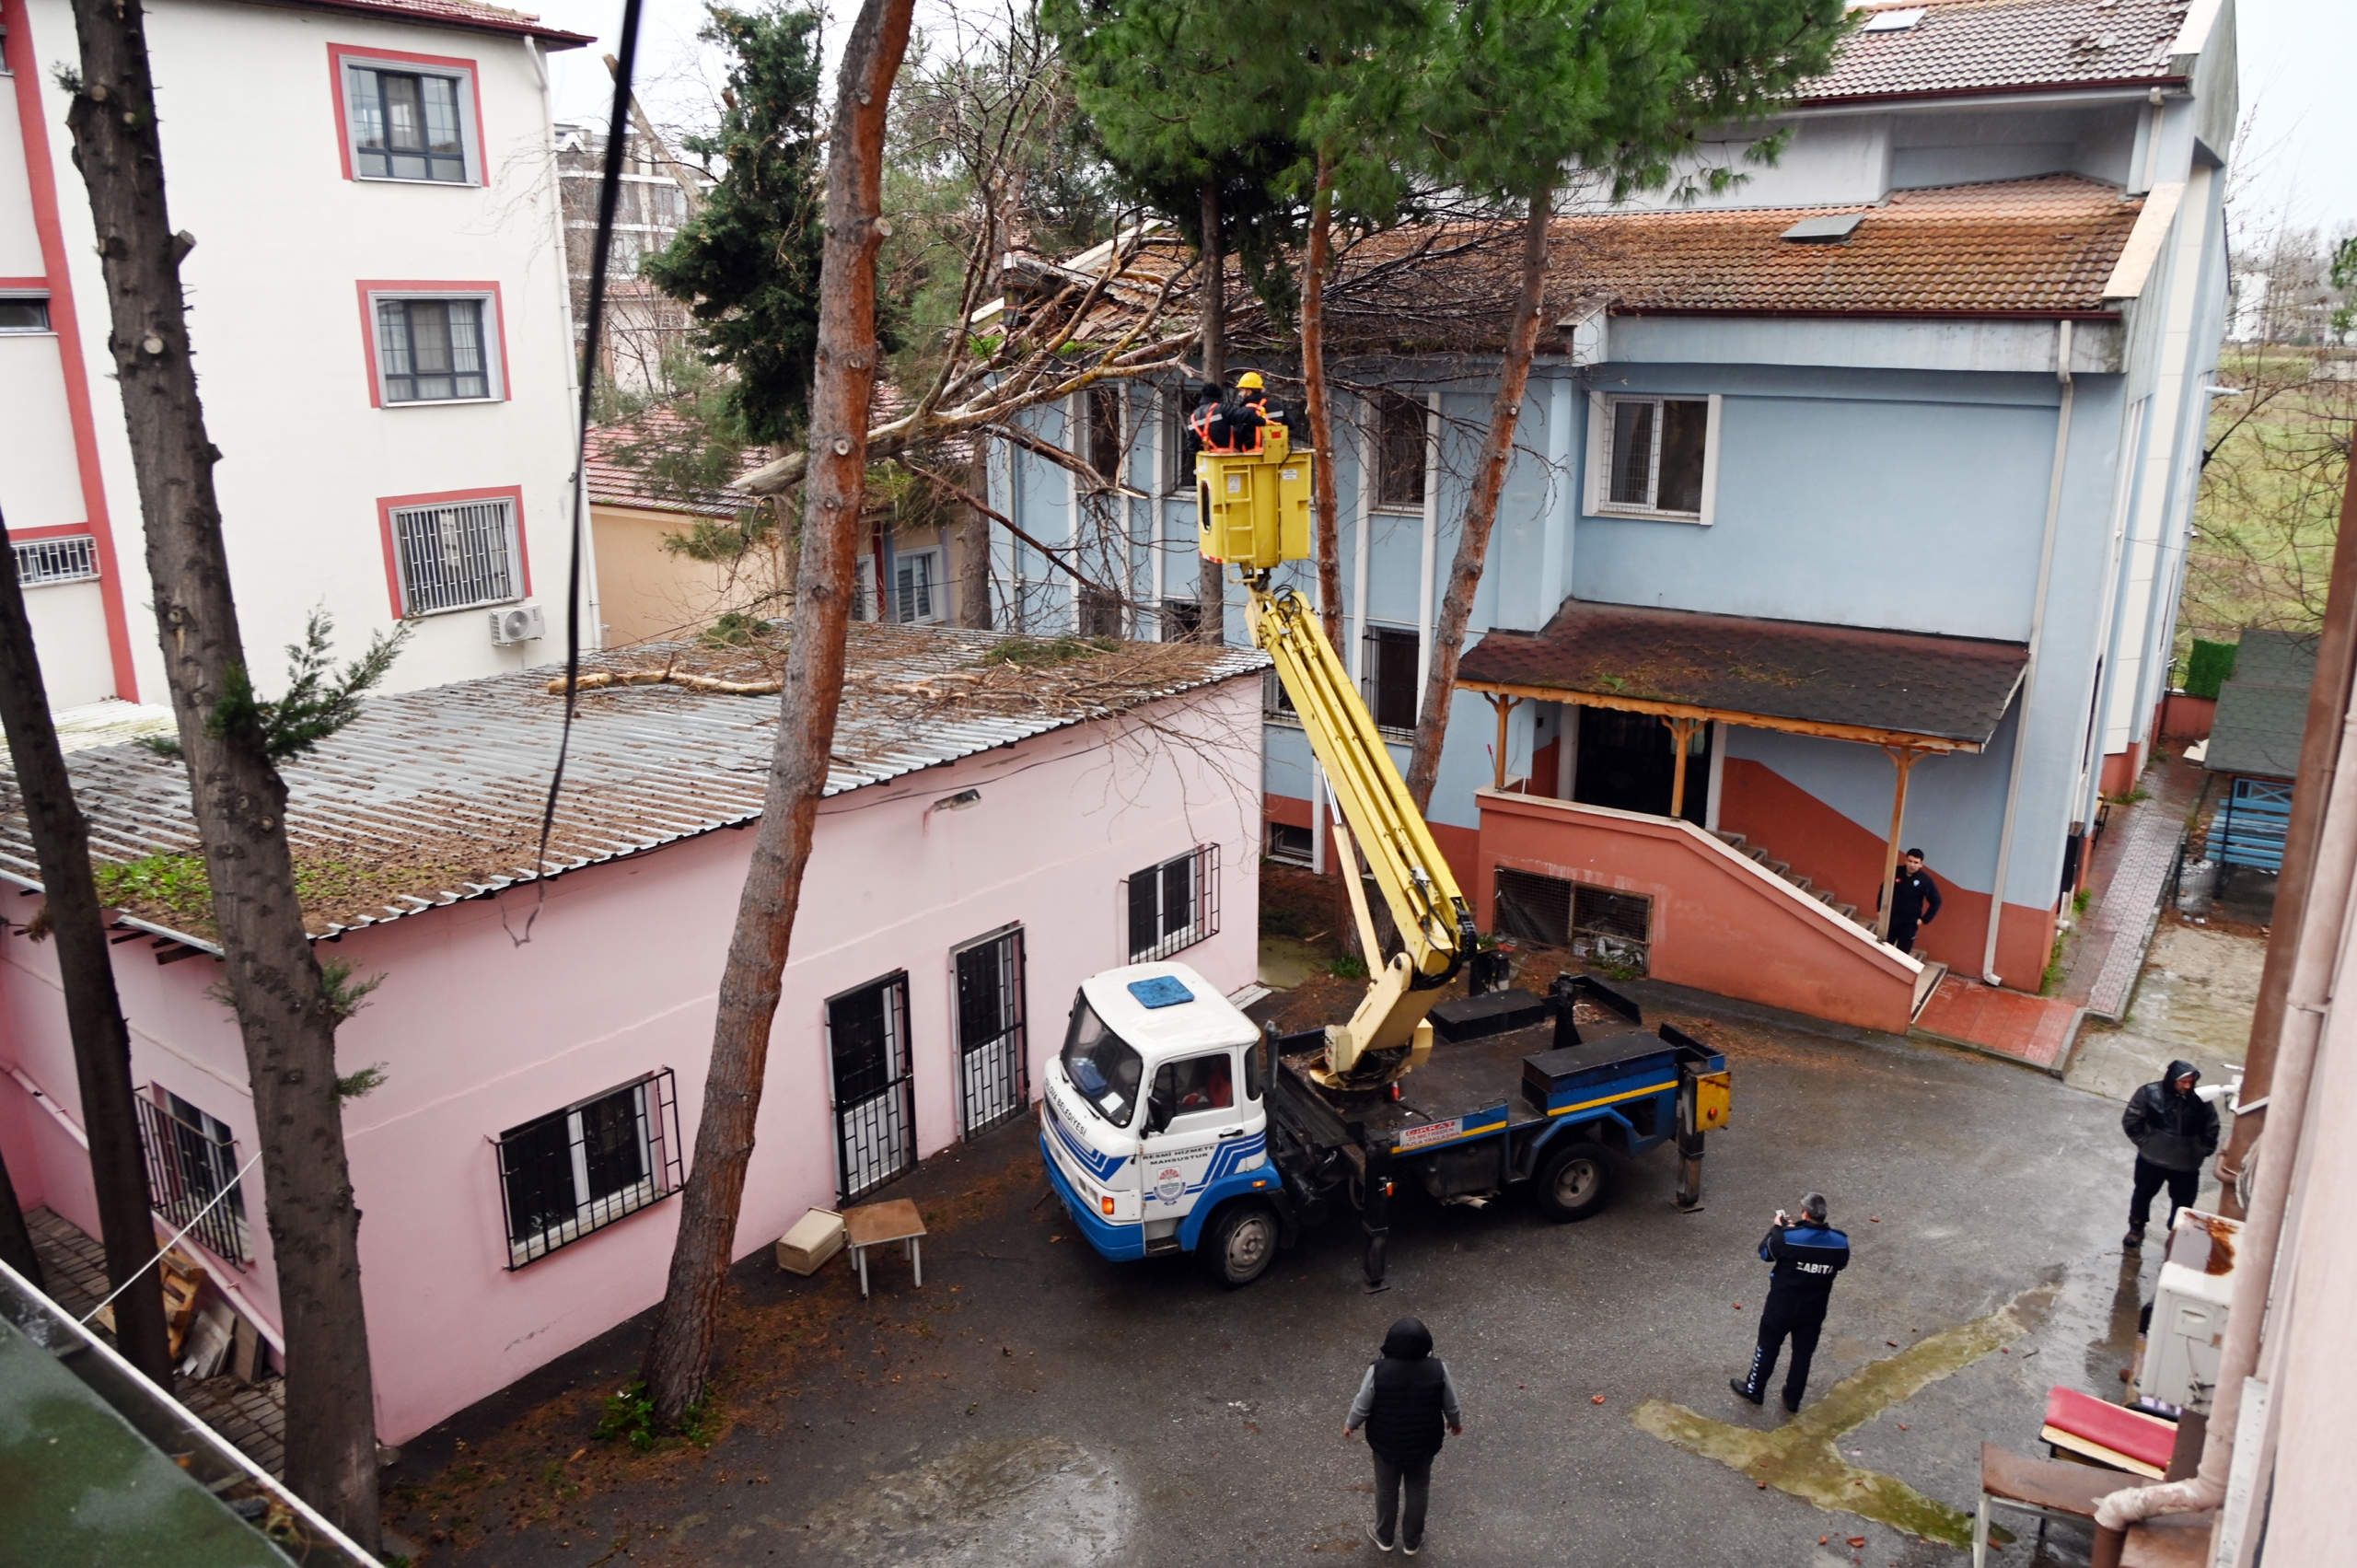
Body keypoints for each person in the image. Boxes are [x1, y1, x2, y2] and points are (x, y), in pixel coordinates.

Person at [1343, 1316, 1463, 1554]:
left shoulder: (1378, 1370)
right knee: (1418, 1488)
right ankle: (1412, 1541)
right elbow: (1450, 1402)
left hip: (1386, 1444)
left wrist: (1351, 1423)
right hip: (1423, 1444)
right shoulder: (1437, 1369)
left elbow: (1363, 1403)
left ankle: (1384, 1537)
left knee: (1387, 1489)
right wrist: (1455, 1422)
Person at [1731, 1192, 1850, 1414]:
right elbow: (1840, 1264)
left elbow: (1765, 1253)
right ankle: (1793, 1398)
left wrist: (1778, 1229)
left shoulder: (1786, 1237)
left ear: (1805, 1213)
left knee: (1768, 1346)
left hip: (1782, 1304)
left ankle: (1755, 1389)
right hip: (1815, 1307)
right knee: (1803, 1353)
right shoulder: (1840, 1242)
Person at [2121, 1060, 2220, 1248]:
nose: (2188, 1086)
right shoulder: (2149, 1093)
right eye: (2184, 1082)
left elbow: (2212, 1127)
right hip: (2152, 1160)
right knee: (2142, 1194)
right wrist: (2145, 1143)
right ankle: (2136, 1227)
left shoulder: (2201, 1100)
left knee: (2184, 1202)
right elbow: (2131, 1119)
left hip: (2186, 1164)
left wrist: (2203, 1150)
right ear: (2172, 1079)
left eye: (2191, 1082)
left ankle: (2176, 1234)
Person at [1883, 848, 1943, 954]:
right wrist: (1880, 909)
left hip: (1909, 924)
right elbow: (1884, 888)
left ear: (1921, 864)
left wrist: (1924, 920)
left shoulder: (1926, 881)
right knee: (1883, 949)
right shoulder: (1896, 872)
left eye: (1916, 862)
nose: (1912, 865)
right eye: (1910, 861)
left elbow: (1937, 901)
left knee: (1902, 956)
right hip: (1891, 920)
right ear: (1906, 860)